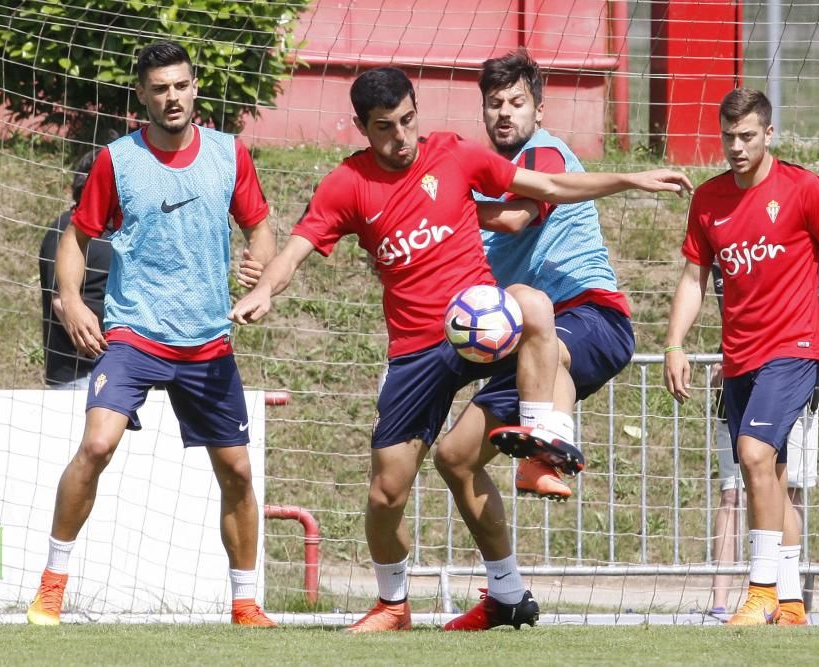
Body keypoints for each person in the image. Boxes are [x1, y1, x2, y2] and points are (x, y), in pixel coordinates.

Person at [229, 66, 691, 633]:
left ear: (417, 111)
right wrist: (264, 290)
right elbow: (296, 248)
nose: (400, 138)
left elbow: (546, 188)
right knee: (387, 490)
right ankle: (395, 604)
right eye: (384, 128)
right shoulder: (347, 185)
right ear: (361, 127)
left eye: (407, 121)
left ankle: (543, 443)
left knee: (535, 306)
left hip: (483, 326)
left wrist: (631, 180)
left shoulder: (453, 154)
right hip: (417, 353)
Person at [26, 41, 278, 627]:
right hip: (136, 332)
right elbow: (74, 238)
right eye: (159, 88)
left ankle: (244, 602)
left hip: (207, 339)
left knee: (237, 470)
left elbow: (262, 230)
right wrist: (68, 301)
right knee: (96, 445)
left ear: (195, 89)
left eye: (181, 86)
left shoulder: (228, 155)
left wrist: (258, 269)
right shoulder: (117, 160)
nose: (172, 97)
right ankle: (51, 586)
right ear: (142, 95)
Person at [430, 50, 638, 630]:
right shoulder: (487, 175)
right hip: (531, 343)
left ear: (538, 108)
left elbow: (516, 218)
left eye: (516, 102)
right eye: (494, 103)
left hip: (594, 317)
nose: (504, 113)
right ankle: (507, 594)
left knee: (535, 307)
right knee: (454, 458)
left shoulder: (539, 154)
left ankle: (547, 445)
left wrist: (441, 205)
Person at [664, 87, 819, 626]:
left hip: (794, 348)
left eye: (747, 136)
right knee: (767, 474)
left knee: (752, 455)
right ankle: (792, 601)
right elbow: (693, 278)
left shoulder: (802, 188)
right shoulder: (708, 200)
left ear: (769, 134)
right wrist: (675, 344)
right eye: (727, 137)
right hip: (739, 357)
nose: (736, 146)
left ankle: (762, 587)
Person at [708, 256, 819, 616]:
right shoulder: (723, 225)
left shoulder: (799, 213)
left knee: (776, 479)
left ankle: (770, 596)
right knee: (747, 485)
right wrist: (675, 345)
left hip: (789, 363)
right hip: (744, 367)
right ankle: (767, 602)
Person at [39, 146, 112, 388]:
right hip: (80, 373)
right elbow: (60, 302)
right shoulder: (64, 230)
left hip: (121, 368)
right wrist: (100, 347)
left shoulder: (117, 232)